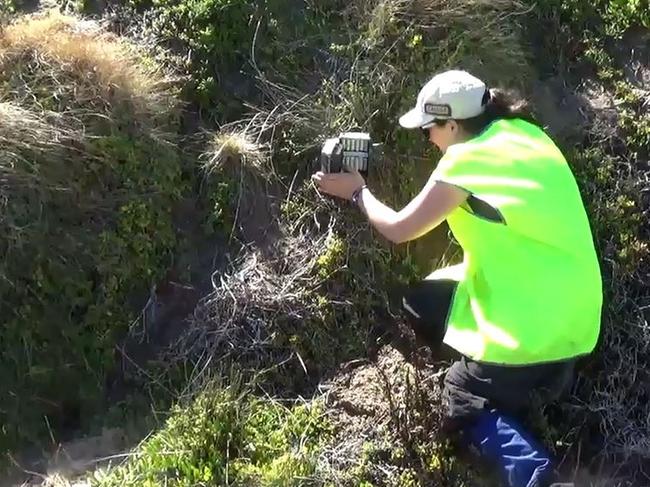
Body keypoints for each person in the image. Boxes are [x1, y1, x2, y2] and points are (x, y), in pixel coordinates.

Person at [311, 70, 602, 487]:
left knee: (461, 398)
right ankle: (521, 382)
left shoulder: (465, 162)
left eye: (430, 128)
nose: (428, 138)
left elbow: (397, 228)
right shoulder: (523, 133)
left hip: (536, 331)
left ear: (452, 124)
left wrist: (357, 192)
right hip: (574, 314)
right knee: (421, 304)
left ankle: (542, 479)